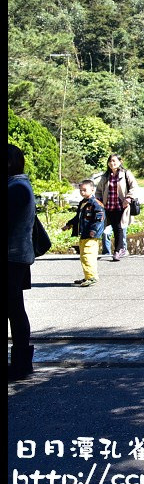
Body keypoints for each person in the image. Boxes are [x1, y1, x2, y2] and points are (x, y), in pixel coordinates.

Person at [8, 144, 38, 381]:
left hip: (12, 257)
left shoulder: (16, 188)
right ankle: (20, 364)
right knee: (15, 309)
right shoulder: (19, 185)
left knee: (15, 311)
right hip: (16, 256)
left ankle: (20, 364)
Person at [62, 179, 105, 288]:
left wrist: (93, 231)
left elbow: (99, 219)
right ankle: (88, 276)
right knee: (84, 256)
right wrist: (69, 224)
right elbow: (78, 218)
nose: (82, 192)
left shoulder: (95, 204)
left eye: (85, 190)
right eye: (80, 190)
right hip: (83, 233)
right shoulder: (83, 203)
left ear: (92, 189)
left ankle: (91, 277)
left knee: (88, 255)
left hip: (90, 235)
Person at [96, 154, 138, 261]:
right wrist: (99, 202)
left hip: (121, 206)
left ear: (120, 161)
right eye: (110, 161)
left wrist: (128, 198)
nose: (112, 163)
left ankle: (117, 251)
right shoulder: (105, 176)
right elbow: (99, 191)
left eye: (114, 161)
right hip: (108, 206)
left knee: (119, 228)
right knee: (106, 230)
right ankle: (109, 251)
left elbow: (134, 186)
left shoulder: (125, 174)